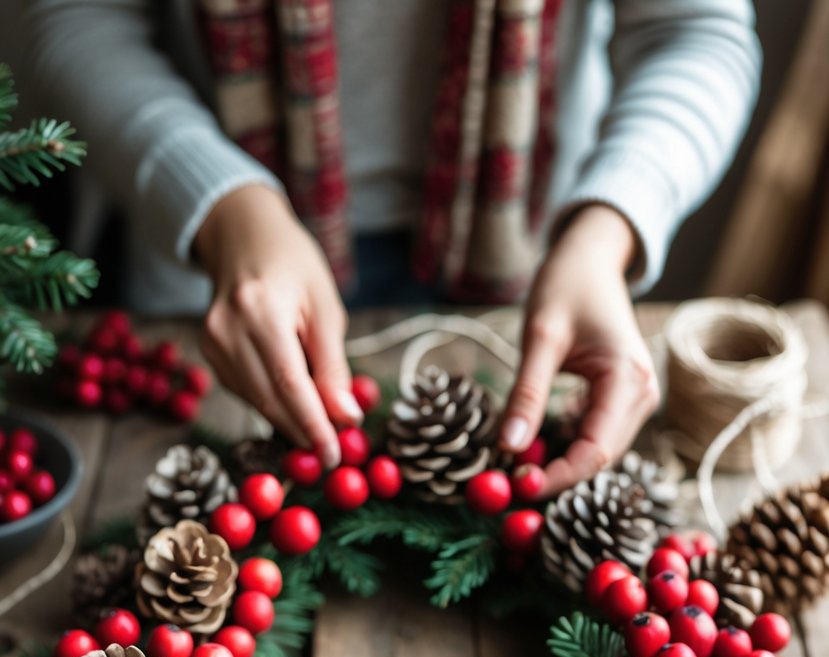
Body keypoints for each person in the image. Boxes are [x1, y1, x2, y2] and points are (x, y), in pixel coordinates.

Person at [17, 1, 761, 493]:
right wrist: (219, 206)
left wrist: (607, 229)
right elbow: (72, 14)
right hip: (211, 277)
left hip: (525, 270)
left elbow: (697, 26)